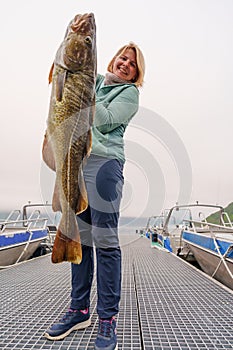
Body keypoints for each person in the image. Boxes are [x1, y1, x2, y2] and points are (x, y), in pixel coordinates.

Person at [44, 42, 145, 350]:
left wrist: (81, 87)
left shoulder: (129, 95)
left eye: (132, 63)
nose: (125, 64)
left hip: (105, 166)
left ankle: (107, 318)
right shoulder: (94, 80)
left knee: (105, 242)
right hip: (77, 161)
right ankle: (79, 309)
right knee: (78, 236)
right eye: (122, 58)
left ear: (136, 74)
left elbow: (101, 119)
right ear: (112, 59)